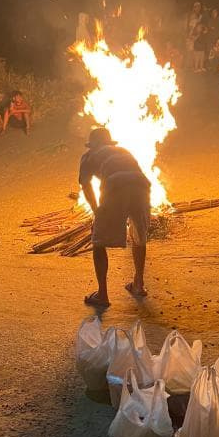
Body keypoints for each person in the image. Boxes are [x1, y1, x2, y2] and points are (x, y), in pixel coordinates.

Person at [79, 128, 150, 308]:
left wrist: (97, 211)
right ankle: (138, 285)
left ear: (92, 145)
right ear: (109, 143)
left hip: (115, 187)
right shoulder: (124, 151)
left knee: (98, 240)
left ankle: (102, 294)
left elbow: (86, 186)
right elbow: (135, 174)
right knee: (139, 236)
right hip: (142, 187)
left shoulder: (88, 157)